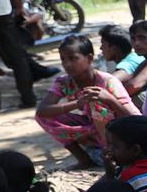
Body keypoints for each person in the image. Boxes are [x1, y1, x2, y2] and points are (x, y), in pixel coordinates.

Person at [35, 34, 140, 168]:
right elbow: (42, 110)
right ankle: (84, 159)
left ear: (89, 58)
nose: (67, 64)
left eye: (73, 58)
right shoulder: (64, 82)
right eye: (63, 59)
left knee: (96, 103)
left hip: (118, 132)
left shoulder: (107, 81)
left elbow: (136, 119)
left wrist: (110, 99)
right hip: (93, 130)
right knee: (44, 117)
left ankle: (111, 154)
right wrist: (77, 103)